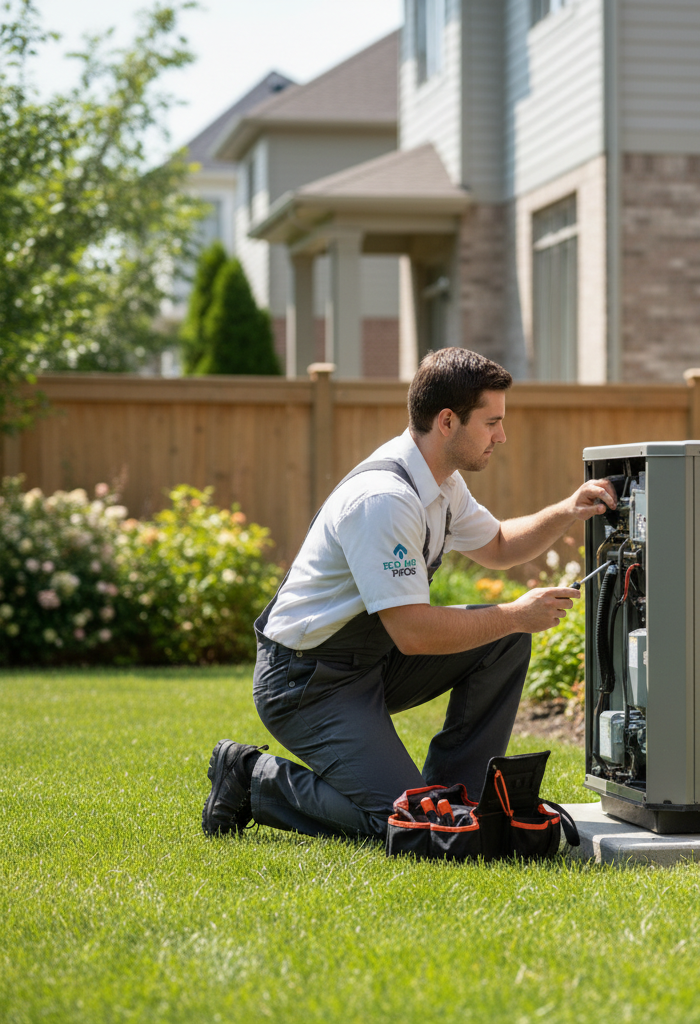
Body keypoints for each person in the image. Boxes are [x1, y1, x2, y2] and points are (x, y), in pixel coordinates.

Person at [202, 348, 616, 840]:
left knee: (504, 641)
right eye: (492, 422)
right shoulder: (384, 500)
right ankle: (252, 779)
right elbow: (414, 632)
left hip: (370, 661)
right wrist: (513, 614)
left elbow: (500, 545)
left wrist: (569, 510)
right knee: (401, 824)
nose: (501, 436)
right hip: (307, 682)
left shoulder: (442, 485)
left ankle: (455, 803)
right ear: (447, 421)